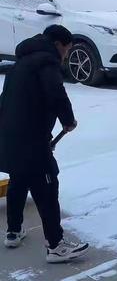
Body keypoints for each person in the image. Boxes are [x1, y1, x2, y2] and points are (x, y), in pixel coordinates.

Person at [0, 25, 89, 263]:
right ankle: (56, 245)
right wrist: (68, 120)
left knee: (19, 180)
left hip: (10, 135)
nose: (67, 55)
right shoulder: (46, 62)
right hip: (31, 139)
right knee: (47, 185)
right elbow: (56, 93)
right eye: (68, 49)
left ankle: (13, 231)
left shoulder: (21, 64)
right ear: (59, 44)